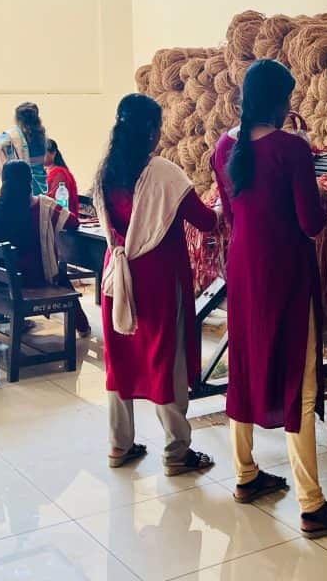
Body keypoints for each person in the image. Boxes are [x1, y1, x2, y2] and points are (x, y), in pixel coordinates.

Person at [212, 59, 327, 539]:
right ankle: (313, 505)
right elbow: (311, 223)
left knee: (245, 364)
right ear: (280, 102)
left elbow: (232, 209)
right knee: (301, 383)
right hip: (284, 273)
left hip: (243, 267)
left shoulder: (224, 146)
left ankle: (245, 474)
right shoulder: (291, 149)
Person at [92, 95, 217, 476]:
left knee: (121, 360)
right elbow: (206, 221)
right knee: (166, 361)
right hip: (159, 281)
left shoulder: (105, 171)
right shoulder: (164, 173)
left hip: (117, 276)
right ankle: (177, 453)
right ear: (151, 131)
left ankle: (119, 445)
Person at [0, 160, 90, 335]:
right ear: (29, 181)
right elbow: (73, 222)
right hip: (35, 278)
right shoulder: (43, 206)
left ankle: (21, 321)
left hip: (0, 279)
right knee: (60, 276)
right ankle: (83, 327)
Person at [0, 102, 49, 195]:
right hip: (41, 189)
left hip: (21, 188)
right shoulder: (41, 136)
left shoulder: (13, 137)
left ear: (17, 119)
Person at [45, 139, 79, 212]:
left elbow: (53, 203)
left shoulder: (59, 173)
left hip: (61, 219)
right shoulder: (49, 172)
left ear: (53, 153)